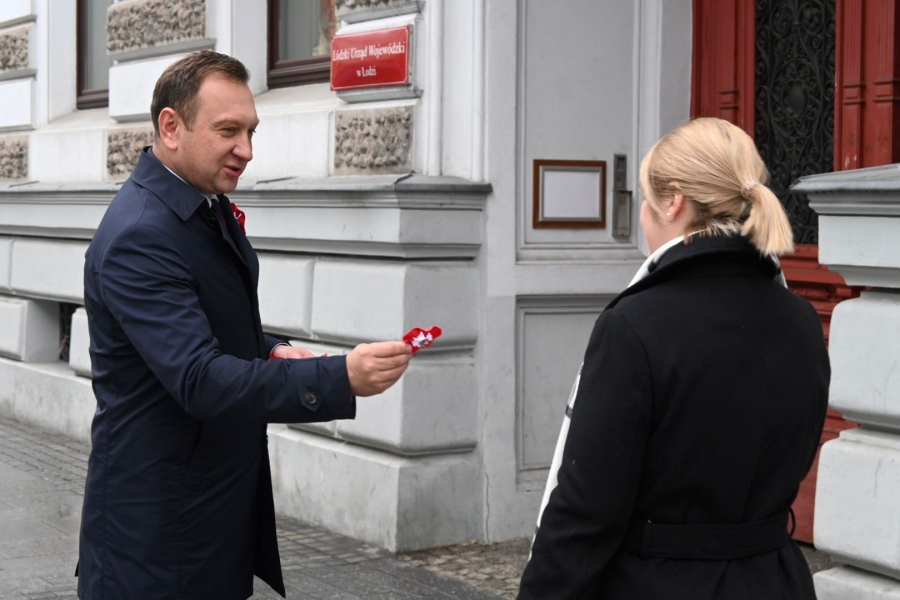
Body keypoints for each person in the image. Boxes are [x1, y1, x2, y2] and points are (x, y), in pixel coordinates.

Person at [77, 51, 412, 600]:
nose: (247, 150)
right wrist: (338, 377)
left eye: (251, 131)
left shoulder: (197, 205)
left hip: (206, 522)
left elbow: (202, 325)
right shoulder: (142, 234)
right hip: (159, 544)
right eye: (228, 130)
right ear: (171, 127)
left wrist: (272, 350)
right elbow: (199, 378)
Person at [518, 117, 830, 599]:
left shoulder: (634, 326)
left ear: (673, 202)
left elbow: (586, 511)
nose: (644, 215)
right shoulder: (802, 318)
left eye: (646, 199)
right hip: (775, 582)